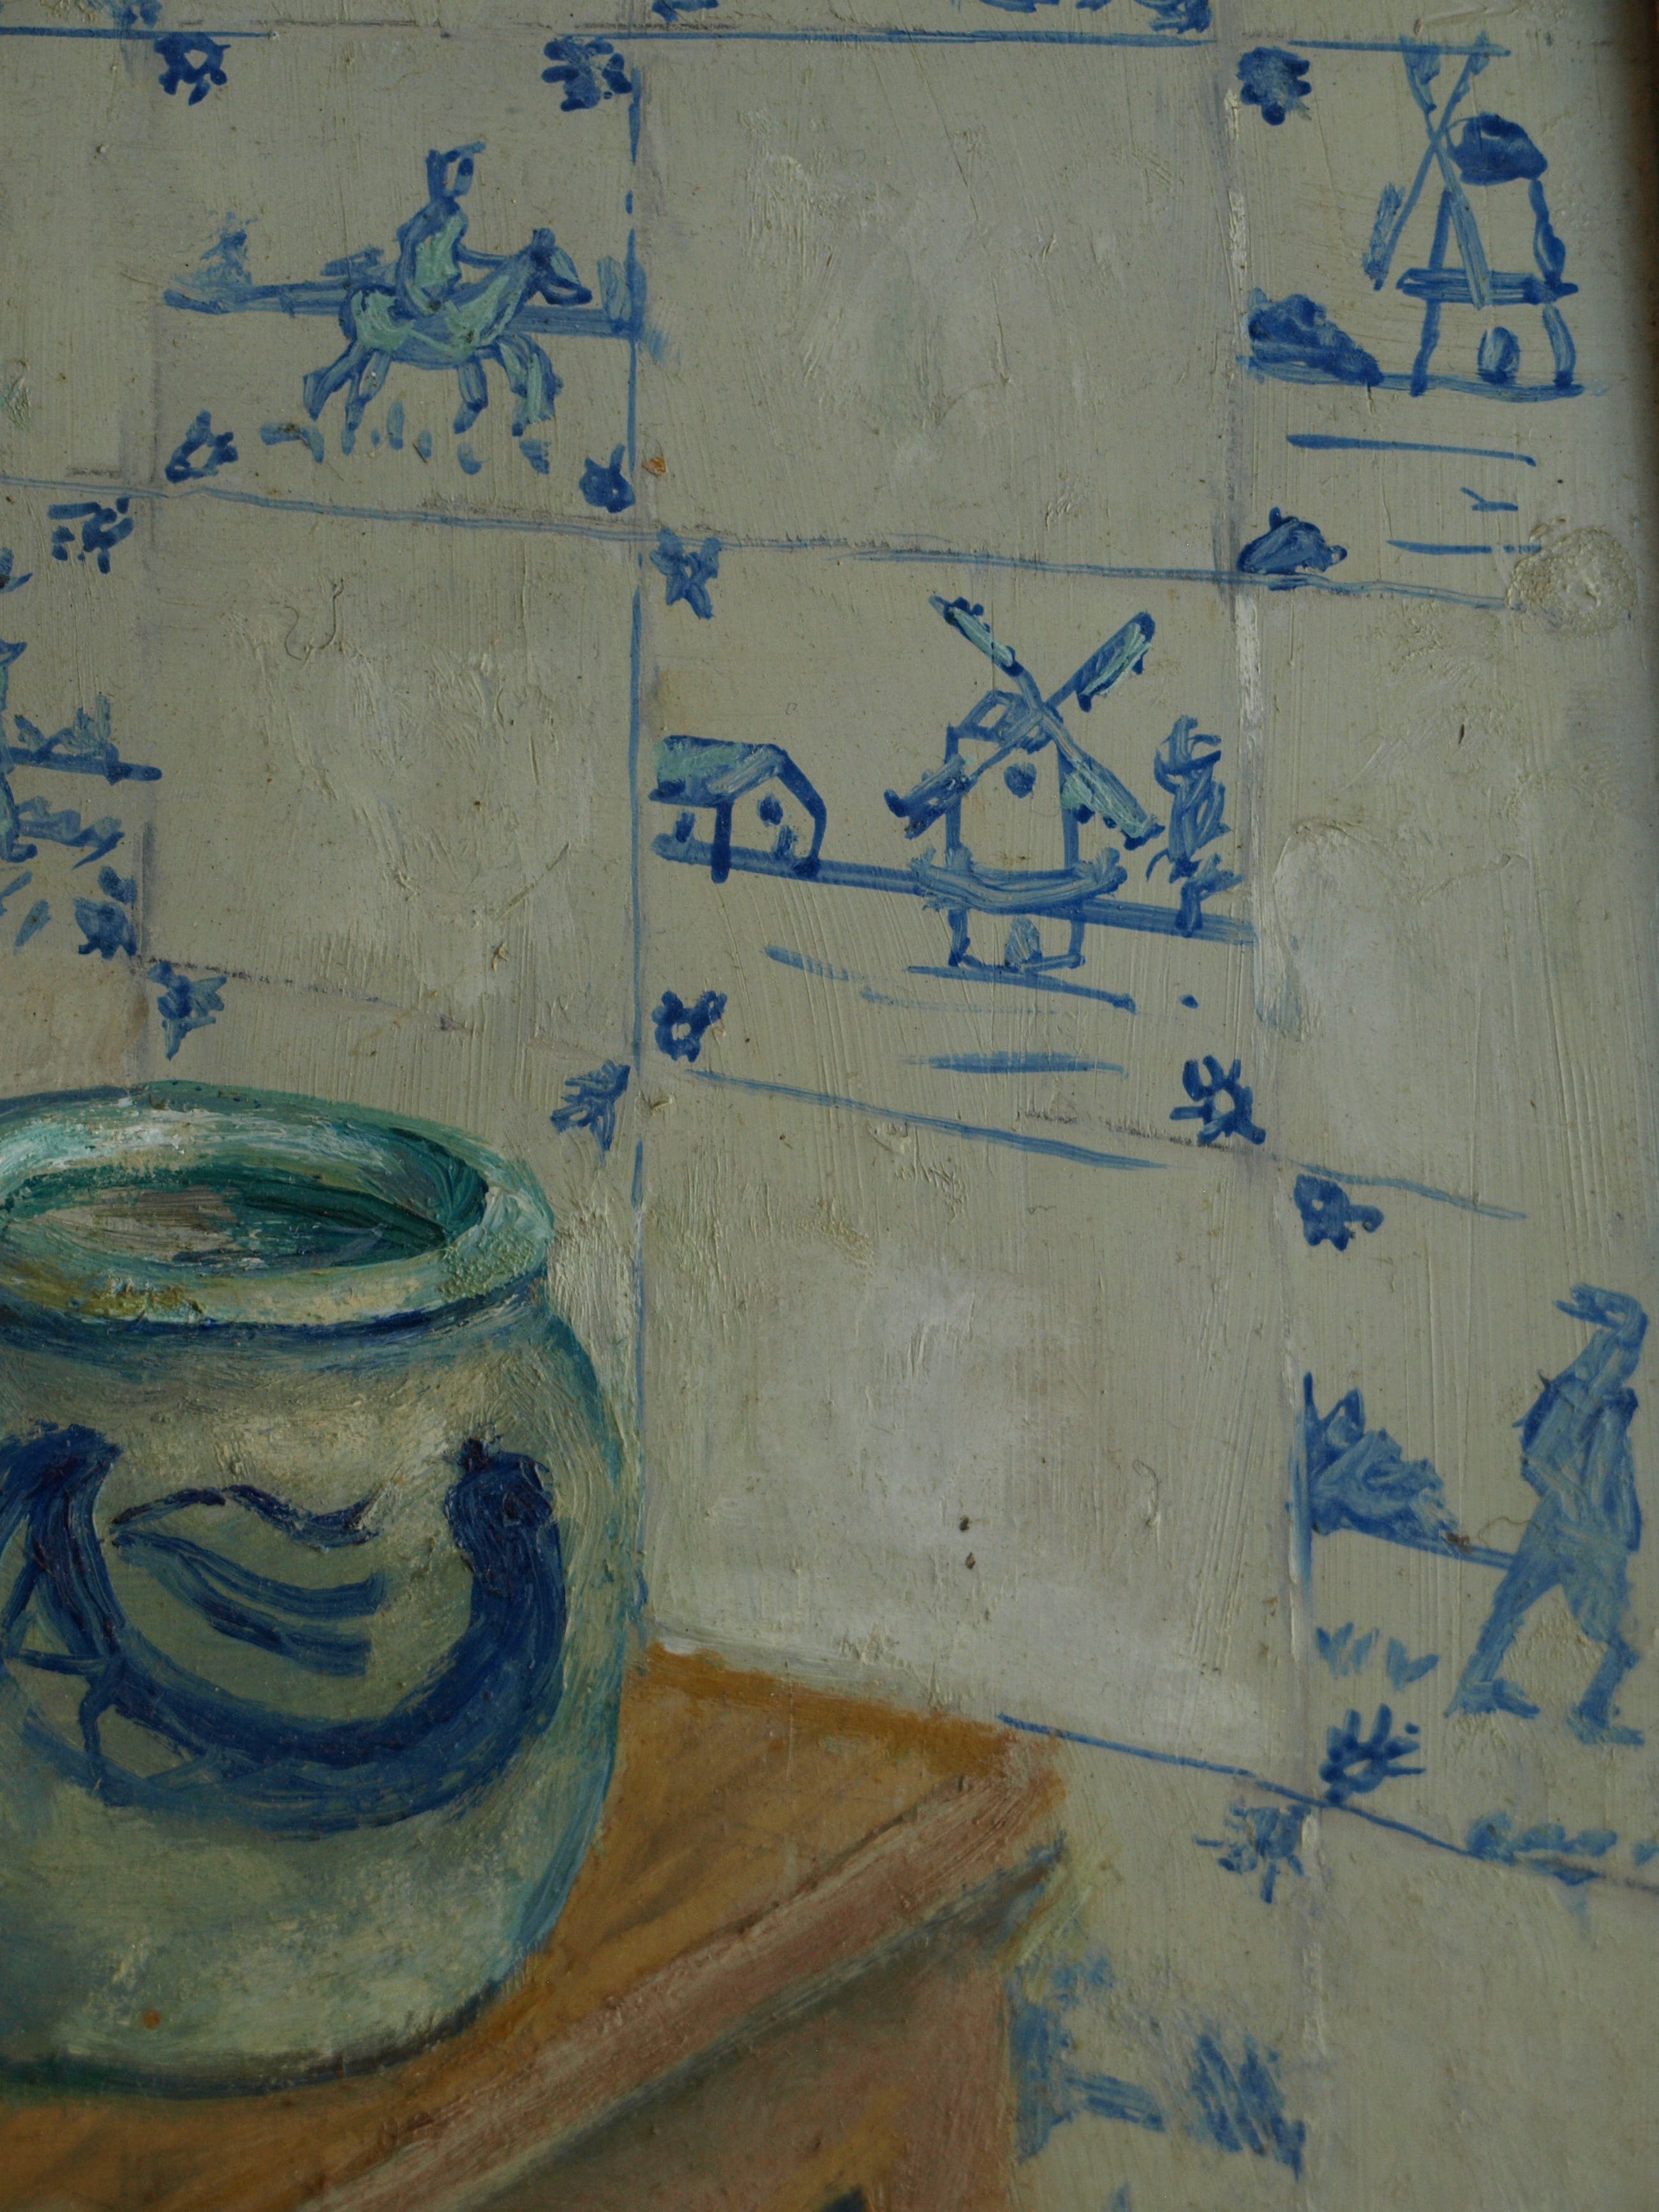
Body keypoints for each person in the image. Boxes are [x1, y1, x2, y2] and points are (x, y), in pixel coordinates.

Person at [1449, 1286, 1646, 1744]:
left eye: (1629, 1358)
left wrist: (1626, 1524)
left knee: (1623, 1632)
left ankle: (1591, 1711)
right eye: (1620, 1356)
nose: (1625, 1365)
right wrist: (1570, 1497)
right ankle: (1477, 1684)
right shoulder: (1576, 1396)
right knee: (1512, 1602)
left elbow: (1617, 1475)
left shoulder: (1613, 1409)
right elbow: (1535, 1460)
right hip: (1559, 1527)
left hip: (1592, 1536)